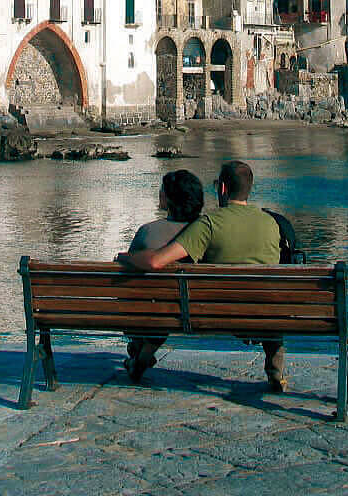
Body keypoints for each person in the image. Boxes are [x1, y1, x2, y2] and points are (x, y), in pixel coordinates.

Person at [119, 160, 287, 392]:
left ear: (223, 189)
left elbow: (156, 261)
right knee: (265, 296)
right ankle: (275, 372)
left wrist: (124, 258)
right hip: (265, 313)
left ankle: (140, 356)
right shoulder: (271, 223)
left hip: (215, 312)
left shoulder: (209, 224)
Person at [120, 170, 204, 381]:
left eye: (162, 190)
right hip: (196, 311)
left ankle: (141, 348)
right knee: (167, 304)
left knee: (152, 301)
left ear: (169, 199)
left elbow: (126, 276)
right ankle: (143, 351)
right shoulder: (206, 232)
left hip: (148, 310)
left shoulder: (148, 232)